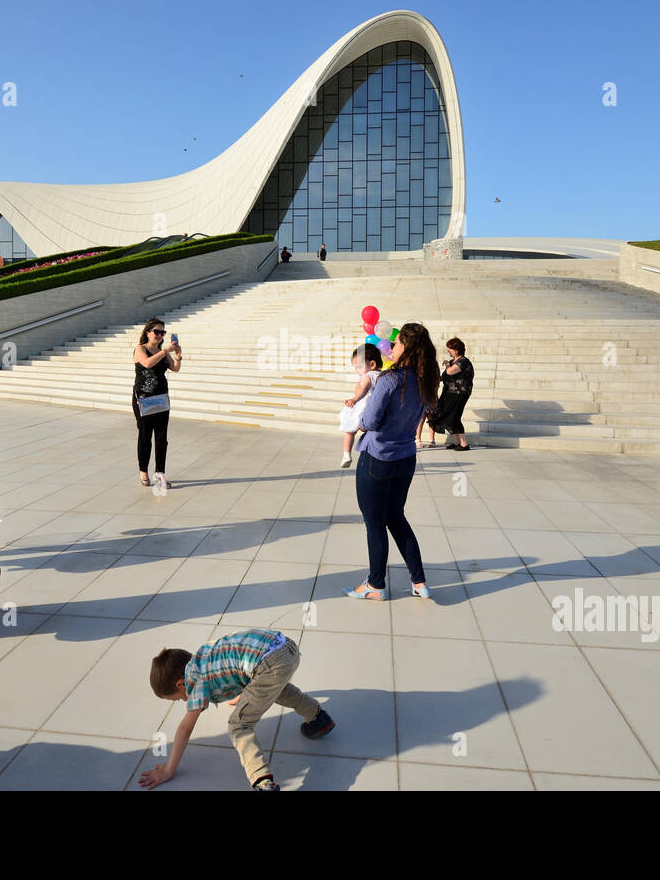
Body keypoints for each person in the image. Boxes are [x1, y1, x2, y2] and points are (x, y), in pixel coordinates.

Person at [141, 630, 334, 791]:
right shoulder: (205, 655)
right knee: (277, 690)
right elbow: (235, 662)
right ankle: (318, 718)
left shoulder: (196, 681)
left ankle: (262, 781)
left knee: (238, 725)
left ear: (180, 683)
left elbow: (185, 729)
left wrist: (168, 770)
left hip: (268, 664)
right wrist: (245, 692)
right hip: (285, 646)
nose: (184, 700)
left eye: (177, 698)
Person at [345, 322, 439, 601]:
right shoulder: (426, 379)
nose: (392, 347)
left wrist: (357, 418)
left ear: (406, 348)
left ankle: (375, 585)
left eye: (397, 344)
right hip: (405, 458)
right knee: (396, 518)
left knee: (375, 523)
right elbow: (427, 410)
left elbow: (370, 421)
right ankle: (419, 582)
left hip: (378, 458)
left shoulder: (389, 379)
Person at [133, 318, 182, 487]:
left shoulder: (164, 352)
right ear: (148, 332)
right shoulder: (141, 349)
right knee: (145, 436)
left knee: (162, 437)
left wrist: (178, 356)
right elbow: (146, 364)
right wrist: (164, 351)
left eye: (163, 332)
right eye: (157, 331)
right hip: (144, 399)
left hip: (161, 398)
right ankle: (143, 471)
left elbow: (174, 369)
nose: (160, 335)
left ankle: (160, 472)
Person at [338, 343, 383, 468]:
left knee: (349, 432)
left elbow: (364, 389)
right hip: (376, 408)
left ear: (372, 364)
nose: (356, 370)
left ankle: (346, 454)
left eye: (359, 367)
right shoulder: (384, 375)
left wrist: (355, 399)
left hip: (362, 406)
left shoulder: (368, 376)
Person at [430, 337, 475, 451]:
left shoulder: (463, 361)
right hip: (449, 393)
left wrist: (446, 365)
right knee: (447, 415)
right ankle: (456, 442)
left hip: (460, 393)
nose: (448, 351)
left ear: (457, 350)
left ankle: (464, 444)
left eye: (450, 349)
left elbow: (450, 372)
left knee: (455, 416)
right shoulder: (452, 362)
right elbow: (445, 377)